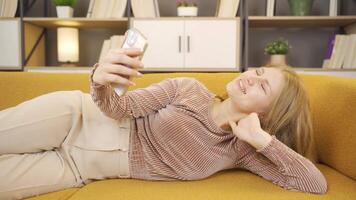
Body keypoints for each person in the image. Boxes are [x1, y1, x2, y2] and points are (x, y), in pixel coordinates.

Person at [0, 48, 327, 200]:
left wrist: (261, 140)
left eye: (263, 86)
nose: (249, 79)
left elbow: (314, 184)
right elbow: (121, 107)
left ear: (270, 113)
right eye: (256, 72)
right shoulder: (188, 88)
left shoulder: (242, 150)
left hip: (77, 168)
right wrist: (100, 81)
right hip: (75, 117)